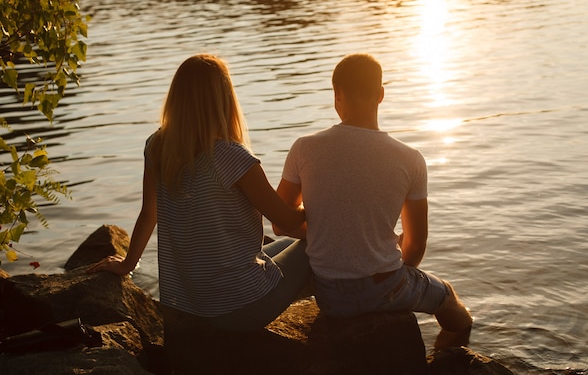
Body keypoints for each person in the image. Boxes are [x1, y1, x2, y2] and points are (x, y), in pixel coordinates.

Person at [88, 54, 310, 372]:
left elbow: (148, 213)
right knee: (314, 247)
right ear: (224, 100)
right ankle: (347, 322)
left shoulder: (157, 146)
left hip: (189, 305)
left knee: (269, 251)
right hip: (240, 309)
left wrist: (127, 264)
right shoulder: (234, 157)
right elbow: (286, 222)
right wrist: (319, 203)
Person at [274, 53, 473, 349]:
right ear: (381, 95)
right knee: (453, 306)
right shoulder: (410, 159)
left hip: (331, 297)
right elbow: (415, 246)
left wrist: (326, 224)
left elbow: (280, 223)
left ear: (336, 94)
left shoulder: (304, 148)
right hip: (388, 287)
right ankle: (448, 359)